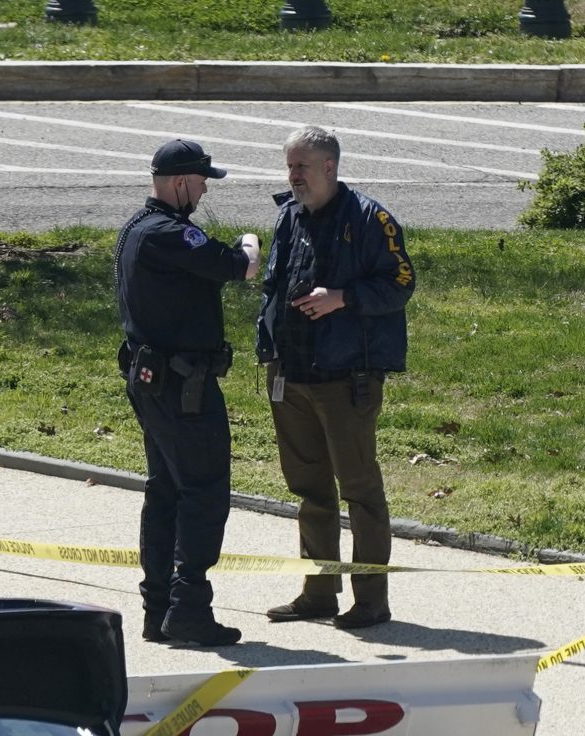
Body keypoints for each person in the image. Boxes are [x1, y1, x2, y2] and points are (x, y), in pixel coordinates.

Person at [256, 126, 415, 633]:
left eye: (301, 166)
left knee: (360, 490)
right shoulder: (288, 216)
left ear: (330, 166)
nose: (293, 175)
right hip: (292, 374)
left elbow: (400, 283)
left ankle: (371, 601)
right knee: (309, 490)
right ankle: (319, 592)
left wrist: (341, 297)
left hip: (346, 380)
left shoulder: (372, 218)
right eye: (289, 166)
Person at [116, 137, 260, 649]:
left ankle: (160, 610)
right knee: (203, 492)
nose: (203, 191)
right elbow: (239, 266)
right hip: (184, 388)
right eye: (201, 181)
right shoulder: (168, 234)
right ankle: (189, 608)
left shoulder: (136, 228)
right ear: (180, 182)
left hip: (155, 382)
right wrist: (249, 243)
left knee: (167, 492)